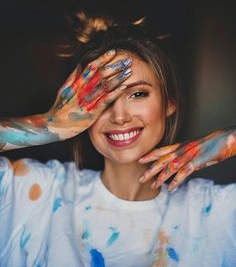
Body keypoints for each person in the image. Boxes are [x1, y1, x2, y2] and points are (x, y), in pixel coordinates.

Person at [0, 14, 235, 267]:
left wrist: (230, 140)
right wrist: (49, 125)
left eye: (138, 93)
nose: (120, 116)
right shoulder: (33, 194)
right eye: (102, 99)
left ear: (169, 103)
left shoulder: (219, 211)